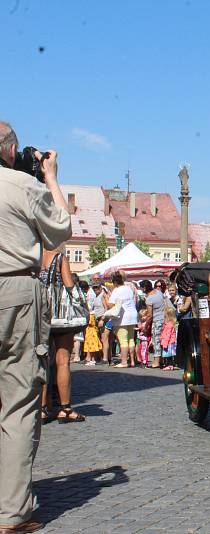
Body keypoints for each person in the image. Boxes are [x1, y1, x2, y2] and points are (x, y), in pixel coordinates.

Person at [0, 121, 71, 533]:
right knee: (19, 401)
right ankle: (11, 513)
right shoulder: (19, 185)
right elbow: (59, 228)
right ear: (9, 151)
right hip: (13, 289)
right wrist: (49, 177)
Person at [39, 249, 87, 425]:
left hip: (40, 315)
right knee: (63, 361)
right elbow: (69, 286)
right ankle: (65, 409)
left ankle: (42, 409)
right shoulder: (59, 258)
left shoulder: (33, 255)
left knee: (42, 360)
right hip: (61, 316)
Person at [109, 271, 139, 368]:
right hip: (132, 315)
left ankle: (124, 362)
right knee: (131, 339)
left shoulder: (116, 290)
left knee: (123, 340)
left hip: (122, 317)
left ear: (114, 282)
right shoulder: (128, 288)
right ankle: (132, 361)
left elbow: (111, 304)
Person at [142, 280, 166, 369]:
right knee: (162, 341)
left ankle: (156, 362)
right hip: (164, 319)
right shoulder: (159, 292)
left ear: (144, 288)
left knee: (156, 341)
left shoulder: (149, 299)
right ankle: (162, 360)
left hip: (157, 321)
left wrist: (146, 326)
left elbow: (149, 315)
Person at [160, 306, 178, 371]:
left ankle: (168, 365)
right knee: (170, 355)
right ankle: (171, 365)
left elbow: (167, 335)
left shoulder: (169, 325)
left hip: (168, 343)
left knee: (167, 355)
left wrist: (165, 343)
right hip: (171, 342)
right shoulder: (171, 323)